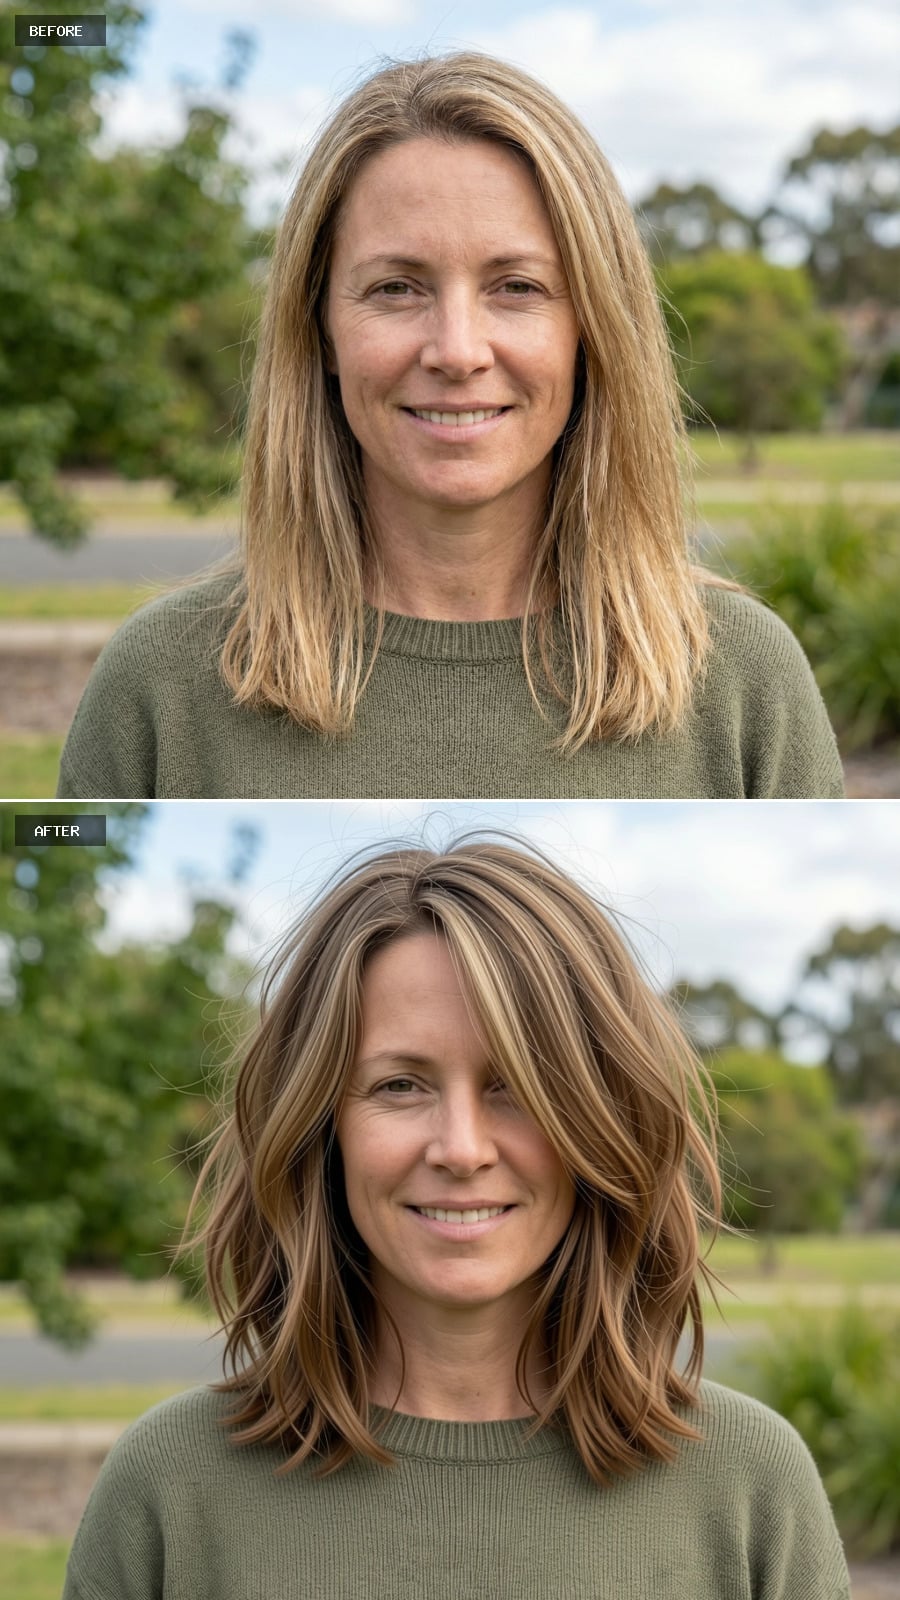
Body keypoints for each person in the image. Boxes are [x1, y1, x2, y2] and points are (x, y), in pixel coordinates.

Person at [62, 840, 851, 1599]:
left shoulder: (751, 1487)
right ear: (318, 1125)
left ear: (601, 1120)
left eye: (517, 1085)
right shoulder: (167, 1489)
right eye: (401, 1085)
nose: (462, 1149)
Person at [56, 52, 842, 800]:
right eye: (396, 288)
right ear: (319, 327)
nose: (457, 351)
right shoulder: (159, 687)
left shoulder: (744, 680)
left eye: (517, 287)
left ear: (592, 329)